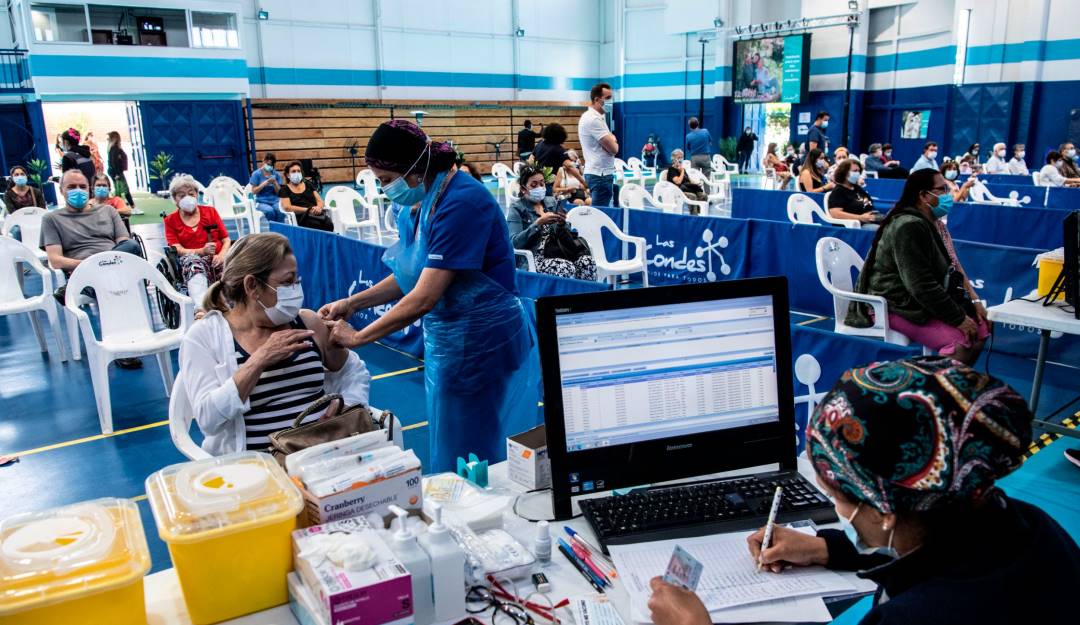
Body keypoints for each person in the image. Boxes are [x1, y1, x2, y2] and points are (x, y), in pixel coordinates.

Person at [648, 356, 1079, 625]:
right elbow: (937, 543)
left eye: (840, 498)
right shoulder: (1026, 524)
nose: (840, 511)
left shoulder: (913, 618)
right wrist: (827, 549)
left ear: (885, 509)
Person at [318, 120, 540, 473]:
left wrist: (358, 337)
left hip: (482, 341)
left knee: (474, 449)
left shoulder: (462, 202)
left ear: (415, 170)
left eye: (386, 179)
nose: (383, 187)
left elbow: (424, 296)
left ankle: (478, 503)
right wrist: (353, 303)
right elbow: (410, 276)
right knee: (453, 438)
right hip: (451, 338)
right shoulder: (418, 203)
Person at [178, 232, 370, 455]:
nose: (296, 290)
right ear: (252, 286)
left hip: (323, 455)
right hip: (258, 467)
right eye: (287, 282)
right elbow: (208, 420)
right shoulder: (203, 337)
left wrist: (350, 403)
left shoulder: (306, 322)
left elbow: (354, 371)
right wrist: (259, 360)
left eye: (297, 281)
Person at [845, 169, 989, 364]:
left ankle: (954, 377)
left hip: (917, 299)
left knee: (982, 328)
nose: (947, 195)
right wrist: (959, 319)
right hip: (893, 303)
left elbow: (953, 266)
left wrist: (974, 301)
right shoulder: (908, 226)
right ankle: (936, 382)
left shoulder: (934, 224)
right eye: (942, 190)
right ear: (923, 195)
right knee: (962, 341)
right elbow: (921, 286)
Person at [43, 169, 144, 368]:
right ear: (62, 190)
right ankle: (121, 347)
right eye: (72, 187)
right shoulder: (52, 219)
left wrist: (104, 263)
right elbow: (55, 260)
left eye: (82, 186)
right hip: (83, 271)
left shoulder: (108, 211)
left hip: (115, 265)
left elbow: (125, 243)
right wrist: (89, 265)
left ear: (89, 189)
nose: (78, 190)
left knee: (132, 246)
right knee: (109, 285)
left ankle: (80, 288)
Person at [507, 165, 597, 280]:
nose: (539, 187)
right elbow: (514, 243)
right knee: (565, 267)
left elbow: (566, 234)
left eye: (542, 183)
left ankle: (587, 292)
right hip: (534, 257)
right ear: (523, 189)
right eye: (534, 185)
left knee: (587, 262)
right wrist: (537, 224)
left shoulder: (551, 202)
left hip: (559, 250)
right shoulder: (517, 209)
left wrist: (561, 224)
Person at [163, 174, 231, 314]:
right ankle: (201, 307)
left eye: (191, 193)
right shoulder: (170, 221)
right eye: (181, 195)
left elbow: (226, 239)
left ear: (196, 195)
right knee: (193, 263)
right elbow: (176, 248)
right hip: (192, 260)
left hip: (216, 258)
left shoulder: (210, 212)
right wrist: (201, 251)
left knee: (230, 267)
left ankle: (231, 305)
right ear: (175, 199)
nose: (187, 198)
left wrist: (222, 255)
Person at [578, 82, 619, 207]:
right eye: (607, 98)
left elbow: (610, 142)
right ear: (596, 99)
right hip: (600, 175)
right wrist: (613, 139)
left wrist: (611, 139)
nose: (610, 101)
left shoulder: (596, 117)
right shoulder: (594, 119)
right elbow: (614, 149)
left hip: (598, 173)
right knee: (600, 213)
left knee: (598, 211)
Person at [279, 161, 333, 231]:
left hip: (316, 214)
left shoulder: (308, 185)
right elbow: (287, 207)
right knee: (315, 224)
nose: (297, 173)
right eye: (293, 171)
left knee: (329, 223)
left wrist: (318, 208)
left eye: (298, 171)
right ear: (287, 175)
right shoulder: (284, 190)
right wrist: (308, 210)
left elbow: (320, 201)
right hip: (301, 217)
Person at [827, 159, 879, 227]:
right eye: (855, 171)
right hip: (854, 226)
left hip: (870, 220)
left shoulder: (857, 188)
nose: (858, 173)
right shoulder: (838, 191)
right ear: (844, 173)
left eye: (858, 171)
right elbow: (835, 213)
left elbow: (868, 203)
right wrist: (860, 218)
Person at [250, 152, 285, 223]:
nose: (269, 166)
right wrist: (264, 184)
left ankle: (280, 227)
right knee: (270, 211)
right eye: (267, 164)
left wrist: (275, 183)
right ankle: (274, 227)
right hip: (261, 201)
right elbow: (253, 191)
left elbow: (279, 193)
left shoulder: (276, 174)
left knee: (280, 210)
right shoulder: (256, 174)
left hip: (275, 201)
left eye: (271, 165)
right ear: (263, 161)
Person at [106, 131, 137, 212]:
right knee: (124, 189)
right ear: (117, 138)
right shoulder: (115, 148)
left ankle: (119, 207)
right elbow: (114, 162)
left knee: (119, 190)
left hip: (114, 171)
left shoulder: (112, 148)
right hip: (117, 172)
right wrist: (117, 174)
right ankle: (133, 207)